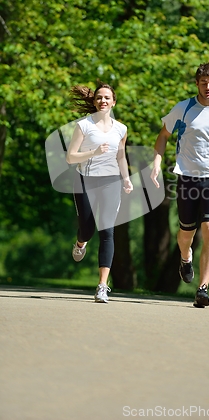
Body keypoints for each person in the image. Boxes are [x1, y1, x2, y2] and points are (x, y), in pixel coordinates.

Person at [150, 63, 209, 308]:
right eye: (203, 83)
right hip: (187, 177)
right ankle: (185, 257)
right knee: (186, 233)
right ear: (197, 83)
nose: (207, 87)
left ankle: (203, 289)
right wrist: (156, 163)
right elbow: (163, 136)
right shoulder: (184, 108)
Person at [66, 81, 133, 303]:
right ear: (94, 102)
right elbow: (70, 157)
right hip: (85, 180)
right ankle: (80, 243)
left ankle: (102, 286)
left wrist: (126, 178)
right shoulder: (83, 126)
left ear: (113, 102)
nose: (102, 101)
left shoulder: (121, 128)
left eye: (106, 98)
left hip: (111, 182)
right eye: (98, 98)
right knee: (87, 229)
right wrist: (93, 152)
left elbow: (121, 156)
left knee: (107, 231)